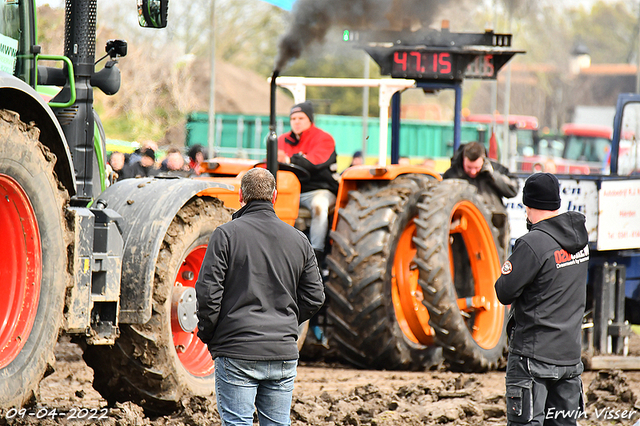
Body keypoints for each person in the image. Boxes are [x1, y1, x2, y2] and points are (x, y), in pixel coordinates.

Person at [195, 167, 325, 426]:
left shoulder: (226, 234)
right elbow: (314, 296)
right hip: (282, 352)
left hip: (236, 349)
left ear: (241, 196)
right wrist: (284, 322)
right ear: (275, 196)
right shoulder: (299, 240)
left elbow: (208, 294)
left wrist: (210, 335)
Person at [494, 172, 589, 426]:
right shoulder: (579, 240)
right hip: (569, 357)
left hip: (533, 358)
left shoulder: (533, 244)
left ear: (529, 205)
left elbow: (504, 291)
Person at [277, 101, 339, 260]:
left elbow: (314, 162)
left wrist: (288, 159)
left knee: (319, 206)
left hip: (319, 190)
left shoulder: (324, 139)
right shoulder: (282, 140)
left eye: (301, 118)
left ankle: (316, 253)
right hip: (291, 191)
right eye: (293, 118)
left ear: (310, 120)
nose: (296, 122)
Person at [443, 141, 519, 205]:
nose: (473, 172)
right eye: (469, 167)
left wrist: (493, 175)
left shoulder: (495, 169)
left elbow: (513, 190)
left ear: (483, 160)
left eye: (477, 168)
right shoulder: (451, 174)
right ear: (463, 160)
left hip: (494, 220)